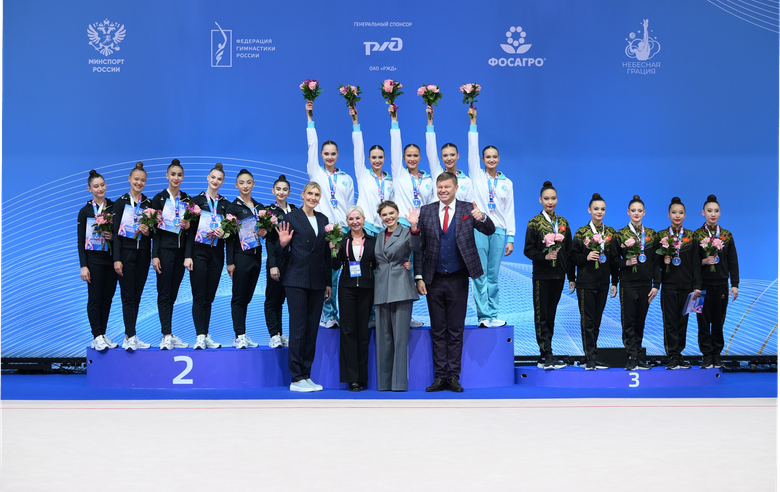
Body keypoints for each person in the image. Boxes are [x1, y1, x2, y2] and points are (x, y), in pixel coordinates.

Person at [414, 172, 495, 392]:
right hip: (433, 279)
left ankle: (453, 377)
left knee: (456, 330)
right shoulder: (427, 211)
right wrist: (419, 277)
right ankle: (440, 377)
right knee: (438, 330)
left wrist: (482, 217)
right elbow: (419, 248)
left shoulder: (469, 209)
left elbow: (490, 230)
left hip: (459, 278)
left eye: (447, 187)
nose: (443, 191)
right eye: (439, 187)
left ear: (456, 188)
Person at [276, 182, 332, 392]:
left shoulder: (323, 220)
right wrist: (282, 244)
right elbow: (279, 250)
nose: (313, 197)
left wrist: (327, 282)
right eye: (310, 193)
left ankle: (306, 374)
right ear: (302, 194)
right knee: (298, 329)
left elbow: (325, 255)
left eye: (317, 194)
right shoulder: (290, 218)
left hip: (317, 282)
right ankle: (296, 377)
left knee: (311, 330)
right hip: (296, 280)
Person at [305, 101, 355, 329]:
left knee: (348, 273)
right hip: (325, 232)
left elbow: (350, 206)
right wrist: (310, 118)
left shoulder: (346, 178)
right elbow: (311, 145)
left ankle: (348, 313)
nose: (329, 157)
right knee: (328, 275)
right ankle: (329, 315)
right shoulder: (316, 173)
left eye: (333, 153)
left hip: (344, 230)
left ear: (338, 155)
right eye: (326, 153)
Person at [466, 108, 516, 327]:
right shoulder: (477, 176)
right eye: (487, 157)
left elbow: (509, 211)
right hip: (478, 229)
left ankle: (493, 314)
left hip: (499, 232)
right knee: (480, 274)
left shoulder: (507, 183)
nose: (491, 159)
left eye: (495, 156)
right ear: (482, 159)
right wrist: (473, 123)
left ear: (499, 159)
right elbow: (472, 148)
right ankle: (483, 316)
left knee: (494, 276)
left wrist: (511, 237)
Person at [523, 180, 575, 370]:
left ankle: (545, 352)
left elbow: (569, 252)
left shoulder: (563, 223)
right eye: (546, 198)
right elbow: (527, 250)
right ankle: (546, 353)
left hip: (559, 276)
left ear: (557, 200)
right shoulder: (534, 223)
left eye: (553, 198)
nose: (550, 202)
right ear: (540, 200)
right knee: (541, 315)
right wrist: (544, 256)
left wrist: (571, 276)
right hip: (542, 276)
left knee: (551, 316)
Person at [389, 106, 430, 328]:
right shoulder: (399, 174)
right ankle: (396, 315)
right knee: (403, 269)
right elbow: (395, 146)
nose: (412, 159)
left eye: (415, 155)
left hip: (422, 229)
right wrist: (394, 120)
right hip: (404, 228)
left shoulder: (428, 178)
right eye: (408, 155)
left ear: (420, 157)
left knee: (417, 272)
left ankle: (409, 315)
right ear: (403, 158)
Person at [374, 201, 420, 391]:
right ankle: (384, 383)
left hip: (401, 288)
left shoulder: (408, 232)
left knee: (400, 339)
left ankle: (399, 383)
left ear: (397, 213)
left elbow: (417, 248)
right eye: (384, 215)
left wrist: (415, 226)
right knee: (383, 339)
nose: (388, 217)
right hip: (381, 290)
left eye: (391, 213)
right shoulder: (378, 236)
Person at [571, 193, 619, 370]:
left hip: (603, 284)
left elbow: (614, 259)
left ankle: (593, 356)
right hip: (585, 284)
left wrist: (615, 281)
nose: (599, 212)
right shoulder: (581, 232)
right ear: (589, 210)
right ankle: (589, 358)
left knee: (597, 321)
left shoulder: (611, 233)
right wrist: (586, 256)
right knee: (588, 321)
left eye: (603, 209)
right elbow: (573, 258)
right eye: (596, 209)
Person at [331, 206, 377, 391]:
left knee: (363, 332)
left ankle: (362, 376)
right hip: (347, 289)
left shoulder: (373, 241)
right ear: (347, 222)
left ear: (364, 220)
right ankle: (352, 378)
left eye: (358, 218)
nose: (355, 221)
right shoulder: (341, 241)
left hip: (367, 288)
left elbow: (382, 262)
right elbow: (335, 265)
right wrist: (333, 251)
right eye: (351, 219)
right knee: (348, 332)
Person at [184, 163, 229, 350]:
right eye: (213, 178)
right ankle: (199, 336)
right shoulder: (195, 202)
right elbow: (189, 231)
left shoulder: (226, 204)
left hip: (217, 254)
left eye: (219, 179)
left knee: (209, 297)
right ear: (207, 178)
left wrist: (224, 231)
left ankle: (206, 334)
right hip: (198, 253)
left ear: (222, 181)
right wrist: (188, 256)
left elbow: (230, 233)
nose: (215, 181)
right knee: (199, 296)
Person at [694, 194, 739, 369]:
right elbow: (692, 264)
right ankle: (706, 355)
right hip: (702, 286)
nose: (713, 214)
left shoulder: (727, 235)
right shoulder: (697, 235)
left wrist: (734, 284)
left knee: (718, 321)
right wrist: (703, 262)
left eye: (716, 211)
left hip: (721, 284)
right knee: (703, 321)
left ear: (720, 213)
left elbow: (733, 261)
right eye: (709, 210)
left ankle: (717, 355)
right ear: (703, 212)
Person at [614, 195, 660, 370]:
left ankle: (639, 356)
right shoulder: (620, 235)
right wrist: (626, 263)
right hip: (628, 283)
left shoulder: (651, 235)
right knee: (629, 322)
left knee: (641, 321)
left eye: (639, 211)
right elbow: (613, 261)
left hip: (646, 285)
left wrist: (656, 285)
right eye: (633, 210)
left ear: (644, 213)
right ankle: (631, 356)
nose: (636, 213)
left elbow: (656, 263)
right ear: (628, 212)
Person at [150, 159, 191, 350]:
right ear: (167, 176)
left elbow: (191, 233)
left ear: (183, 177)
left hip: (181, 253)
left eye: (179, 175)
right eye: (173, 174)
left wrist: (189, 226)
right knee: (164, 293)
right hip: (164, 252)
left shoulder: (187, 201)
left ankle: (170, 333)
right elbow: (154, 231)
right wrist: (155, 255)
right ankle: (165, 335)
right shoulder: (158, 199)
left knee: (173, 294)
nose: (176, 178)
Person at [658, 197, 702, 370]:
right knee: (670, 321)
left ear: (685, 215)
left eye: (681, 213)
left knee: (683, 321)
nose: (677, 216)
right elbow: (655, 264)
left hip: (687, 286)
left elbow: (696, 263)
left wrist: (697, 285)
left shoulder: (692, 236)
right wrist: (665, 261)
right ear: (668, 214)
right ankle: (672, 355)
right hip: (668, 285)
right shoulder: (661, 235)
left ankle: (680, 354)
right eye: (674, 212)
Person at [113, 162, 153, 351]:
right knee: (127, 296)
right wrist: (117, 258)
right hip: (126, 254)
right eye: (136, 179)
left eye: (142, 180)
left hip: (143, 255)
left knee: (137, 296)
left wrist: (147, 232)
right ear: (129, 179)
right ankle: (129, 336)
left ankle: (132, 335)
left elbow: (154, 232)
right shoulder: (120, 203)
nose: (139, 183)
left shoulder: (149, 204)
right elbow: (115, 233)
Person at [226, 169, 267, 349]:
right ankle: (239, 335)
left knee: (247, 297)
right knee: (239, 297)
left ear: (253, 184)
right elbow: (228, 236)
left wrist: (264, 232)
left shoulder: (259, 207)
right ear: (236, 185)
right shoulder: (232, 207)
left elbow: (264, 232)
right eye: (241, 182)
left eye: (249, 182)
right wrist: (230, 262)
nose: (245, 185)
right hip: (241, 256)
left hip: (257, 257)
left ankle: (242, 333)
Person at [78, 169, 118, 351]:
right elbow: (80, 241)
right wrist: (84, 266)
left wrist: (113, 236)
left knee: (107, 298)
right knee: (95, 298)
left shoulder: (114, 207)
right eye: (96, 186)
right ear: (89, 189)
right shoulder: (85, 211)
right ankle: (96, 336)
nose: (100, 188)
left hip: (111, 259)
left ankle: (102, 333)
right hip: (93, 259)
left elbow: (122, 234)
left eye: (102, 185)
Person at [349, 107, 393, 236]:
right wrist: (355, 122)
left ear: (384, 159)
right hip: (366, 228)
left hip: (385, 228)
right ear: (368, 159)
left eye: (380, 157)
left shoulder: (390, 181)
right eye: (374, 157)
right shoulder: (363, 175)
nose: (377, 160)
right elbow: (358, 150)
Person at [264, 175, 297, 348]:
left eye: (285, 189)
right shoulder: (268, 212)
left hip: (292, 262)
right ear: (273, 191)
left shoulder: (295, 210)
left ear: (289, 192)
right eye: (278, 189)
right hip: (276, 261)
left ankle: (281, 333)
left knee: (283, 299)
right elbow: (269, 241)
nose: (281, 192)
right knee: (272, 299)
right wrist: (273, 265)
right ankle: (273, 334)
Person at [425, 105, 473, 201]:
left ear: (458, 156)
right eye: (445, 156)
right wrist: (430, 120)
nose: (449, 158)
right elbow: (431, 150)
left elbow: (469, 206)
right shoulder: (437, 173)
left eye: (452, 155)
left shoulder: (467, 181)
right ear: (441, 158)